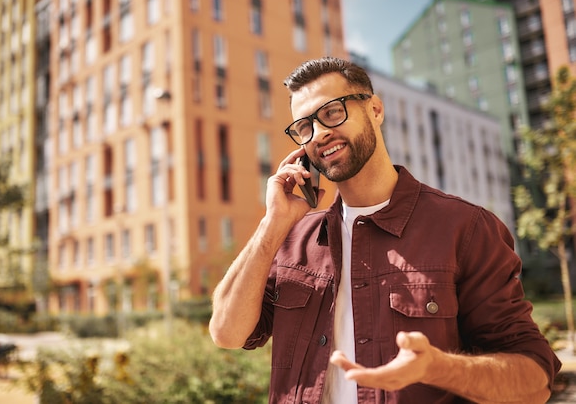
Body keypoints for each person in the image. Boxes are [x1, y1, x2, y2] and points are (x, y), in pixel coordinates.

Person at [209, 57, 562, 403]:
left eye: (332, 112)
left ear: (375, 110)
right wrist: (273, 224)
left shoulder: (465, 228)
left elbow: (534, 382)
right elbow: (226, 332)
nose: (319, 134)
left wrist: (438, 368)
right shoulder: (291, 238)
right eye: (304, 127)